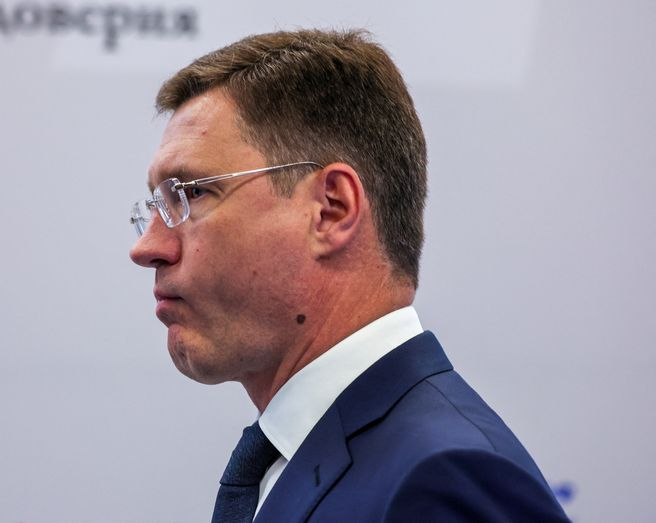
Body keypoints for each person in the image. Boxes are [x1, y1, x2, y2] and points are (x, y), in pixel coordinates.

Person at [129, 29, 569, 522]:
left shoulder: (440, 482)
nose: (147, 248)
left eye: (192, 194)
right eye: (156, 205)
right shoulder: (305, 457)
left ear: (332, 210)